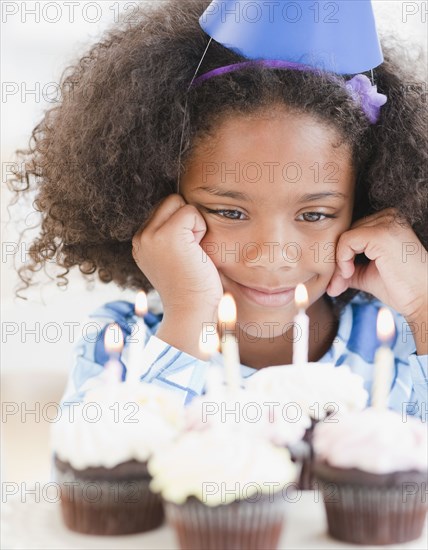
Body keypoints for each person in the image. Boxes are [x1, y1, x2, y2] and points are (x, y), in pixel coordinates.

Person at [9, 1, 427, 418]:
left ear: (365, 205)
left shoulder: (403, 339)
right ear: (161, 203)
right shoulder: (121, 343)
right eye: (230, 212)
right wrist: (189, 313)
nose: (272, 254)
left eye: (314, 215)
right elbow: (92, 480)